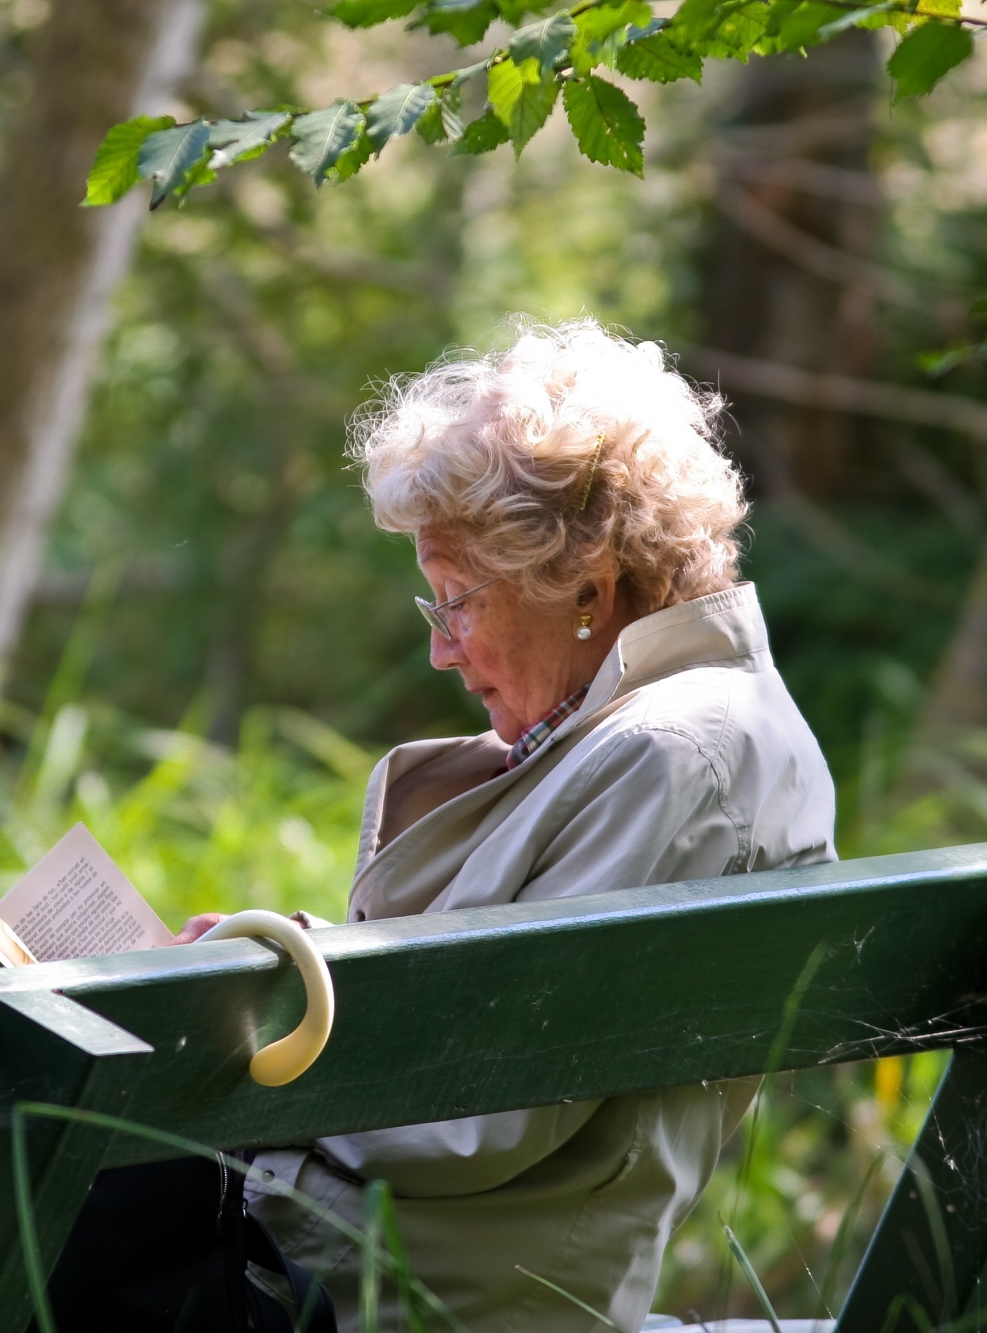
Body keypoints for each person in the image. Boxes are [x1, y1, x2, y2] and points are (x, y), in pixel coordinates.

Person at [186, 318, 837, 1332]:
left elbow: (480, 1112)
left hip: (395, 1282)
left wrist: (247, 1030)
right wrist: (306, 968)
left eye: (456, 602)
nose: (442, 652)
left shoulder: (668, 755)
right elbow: (510, 1025)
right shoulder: (685, 724)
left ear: (585, 583)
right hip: (395, 1252)